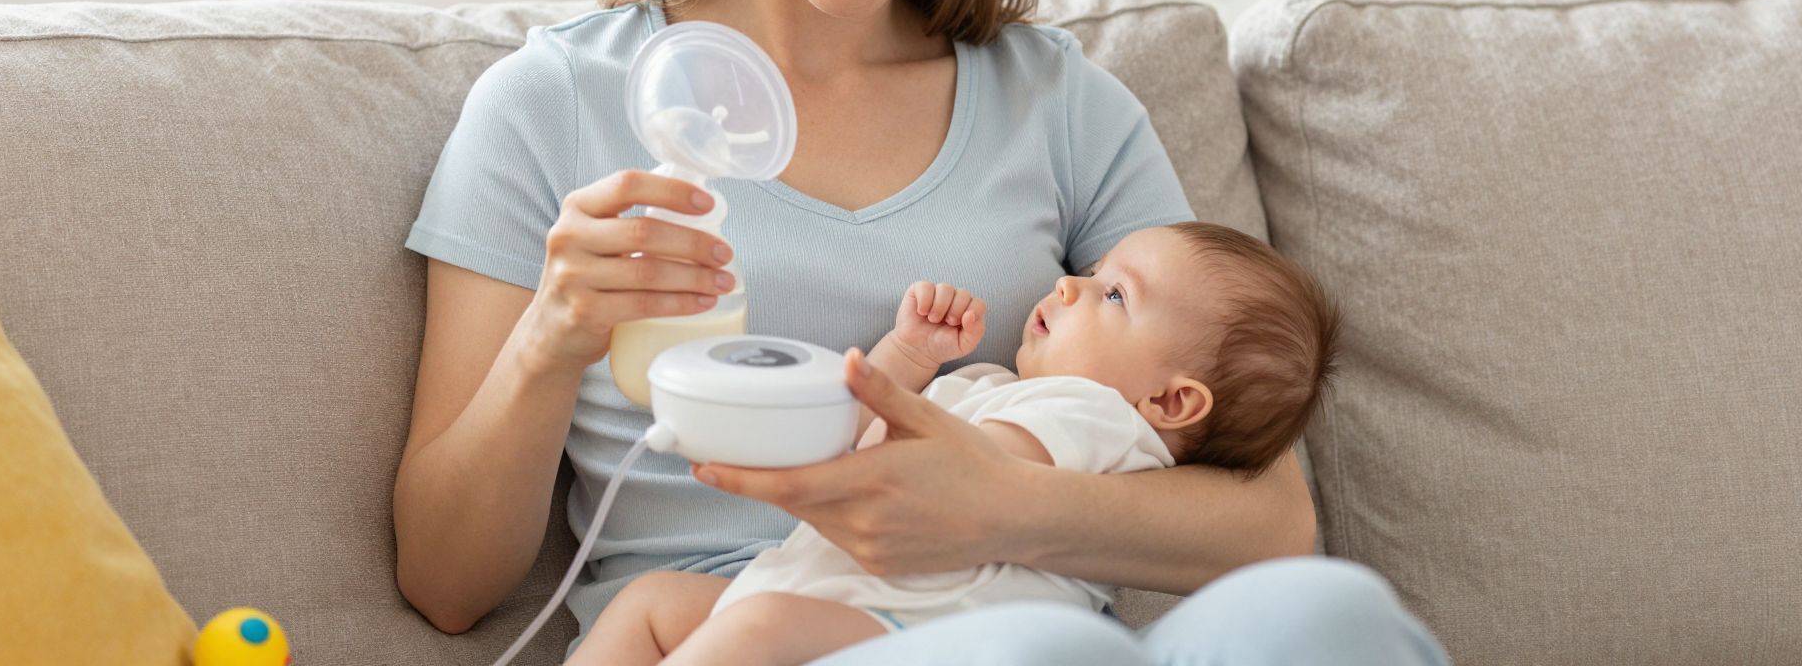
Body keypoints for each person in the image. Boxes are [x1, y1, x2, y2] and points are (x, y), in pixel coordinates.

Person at [391, 0, 1450, 666]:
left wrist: (990, 504)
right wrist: (548, 341)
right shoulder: (552, 106)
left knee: (1332, 617)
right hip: (750, 631)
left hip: (1017, 619)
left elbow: (1272, 523)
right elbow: (446, 582)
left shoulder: (1062, 108)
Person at [569, 222, 1339, 665]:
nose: (1070, 283)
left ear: (1170, 400)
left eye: (1113, 295)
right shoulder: (992, 387)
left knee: (759, 630)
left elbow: (948, 477)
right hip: (830, 602)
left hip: (927, 635)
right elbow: (867, 437)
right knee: (653, 602)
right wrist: (908, 357)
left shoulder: (1096, 419)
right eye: (1094, 269)